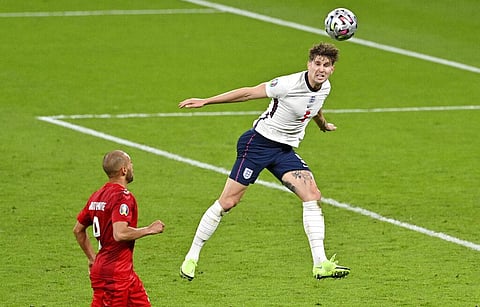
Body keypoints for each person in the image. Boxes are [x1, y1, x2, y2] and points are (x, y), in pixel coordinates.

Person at [178, 42, 350, 280]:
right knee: (228, 202)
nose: (321, 69)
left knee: (311, 195)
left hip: (283, 150)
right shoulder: (288, 84)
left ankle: (320, 263)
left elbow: (315, 107)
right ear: (309, 64)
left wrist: (323, 125)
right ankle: (191, 257)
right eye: (317, 63)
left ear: (332, 69)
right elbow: (248, 92)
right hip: (257, 144)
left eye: (327, 65)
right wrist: (206, 101)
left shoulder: (325, 87)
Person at [73, 150, 165, 306]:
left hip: (124, 273)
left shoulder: (97, 196)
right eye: (130, 163)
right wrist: (149, 229)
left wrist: (92, 258)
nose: (132, 167)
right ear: (123, 169)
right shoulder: (123, 197)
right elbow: (120, 233)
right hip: (114, 277)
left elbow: (78, 230)